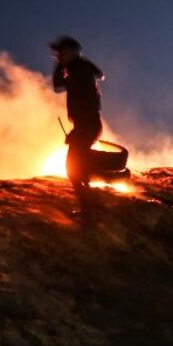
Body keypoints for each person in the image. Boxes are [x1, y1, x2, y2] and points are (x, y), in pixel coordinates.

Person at [49, 36, 104, 214]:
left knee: (73, 169)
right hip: (85, 125)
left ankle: (90, 207)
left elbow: (58, 85)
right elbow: (59, 86)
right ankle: (91, 206)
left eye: (62, 52)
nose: (59, 56)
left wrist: (61, 66)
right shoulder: (79, 69)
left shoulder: (81, 70)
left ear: (74, 52)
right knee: (79, 167)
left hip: (87, 125)